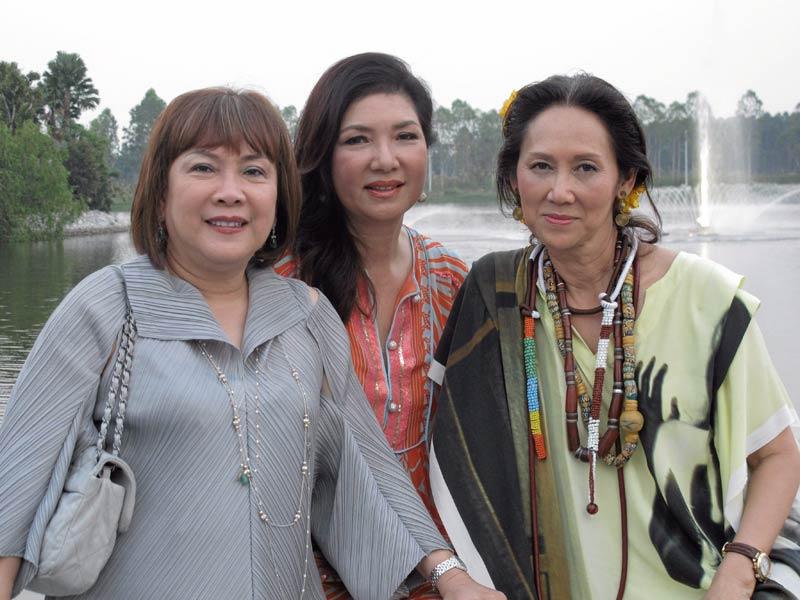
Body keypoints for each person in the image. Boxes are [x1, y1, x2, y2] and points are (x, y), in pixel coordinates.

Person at [0, 87, 502, 600]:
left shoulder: (306, 315)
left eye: (254, 171)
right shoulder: (106, 307)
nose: (230, 191)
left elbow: (367, 470)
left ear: (279, 199)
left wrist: (452, 578)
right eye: (203, 168)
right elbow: (16, 488)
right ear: (159, 191)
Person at [429, 74, 800, 600]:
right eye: (540, 166)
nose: (560, 190)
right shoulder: (497, 296)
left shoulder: (707, 301)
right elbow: (451, 454)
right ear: (514, 177)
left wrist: (739, 571)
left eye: (585, 167)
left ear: (626, 180)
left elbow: (778, 456)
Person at [275, 53, 468, 599]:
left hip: (437, 575)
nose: (386, 160)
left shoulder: (451, 278)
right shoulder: (278, 286)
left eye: (405, 136)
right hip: (303, 573)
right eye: (358, 140)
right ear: (322, 156)